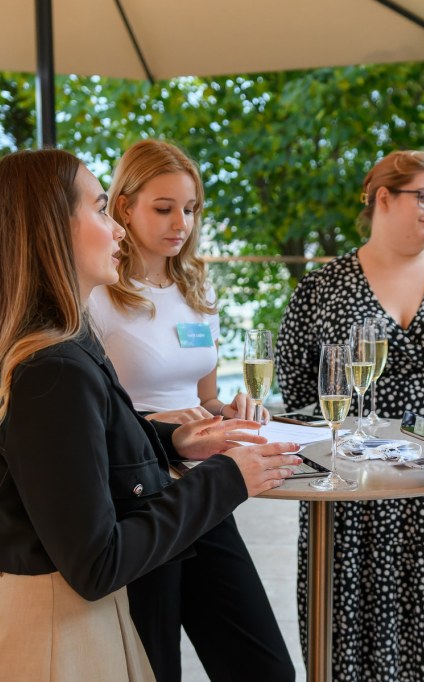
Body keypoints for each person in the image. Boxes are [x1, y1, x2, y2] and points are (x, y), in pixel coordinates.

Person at [0, 148, 303, 681]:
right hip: (56, 644)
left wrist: (175, 441)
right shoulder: (54, 368)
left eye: (190, 209)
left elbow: (91, 443)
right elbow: (97, 563)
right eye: (100, 209)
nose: (116, 228)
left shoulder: (64, 347)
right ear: (52, 228)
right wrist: (228, 477)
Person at [276, 150, 424, 680]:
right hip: (355, 478)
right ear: (383, 197)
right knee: (355, 606)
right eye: (423, 197)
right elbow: (297, 382)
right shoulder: (324, 285)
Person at [89, 139, 293, 681]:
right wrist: (164, 427)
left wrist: (232, 410)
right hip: (137, 496)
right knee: (155, 666)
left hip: (201, 489)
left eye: (191, 208)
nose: (181, 223)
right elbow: (92, 415)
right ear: (123, 206)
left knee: (265, 669)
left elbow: (203, 399)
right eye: (164, 208)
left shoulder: (194, 289)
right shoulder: (98, 295)